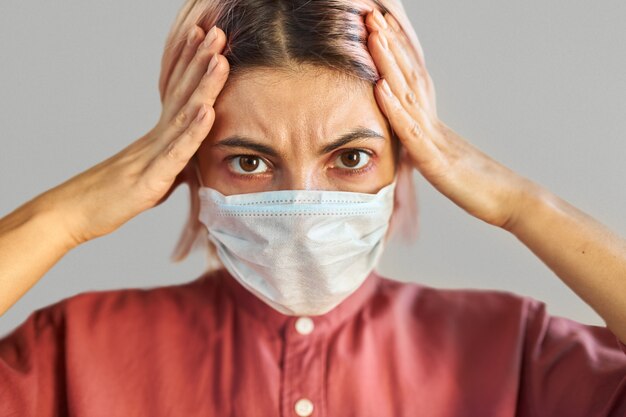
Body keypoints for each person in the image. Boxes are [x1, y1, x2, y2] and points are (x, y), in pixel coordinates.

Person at [1, 0, 625, 415]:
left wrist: (521, 204)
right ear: (187, 164)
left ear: (407, 158)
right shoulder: (72, 357)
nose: (303, 205)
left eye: (350, 158)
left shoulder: (516, 354)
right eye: (249, 161)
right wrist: (65, 217)